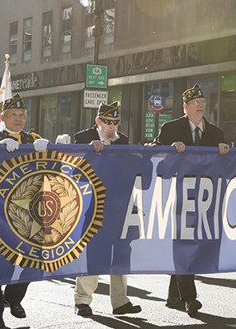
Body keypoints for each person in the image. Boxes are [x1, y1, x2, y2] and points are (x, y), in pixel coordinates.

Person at [150, 83, 230, 317]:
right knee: (184, 244)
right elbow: (155, 155)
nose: (201, 106)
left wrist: (226, 151)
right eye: (196, 103)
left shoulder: (215, 133)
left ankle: (173, 296)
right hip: (178, 197)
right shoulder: (171, 128)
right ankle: (190, 298)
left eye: (203, 103)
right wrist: (169, 147)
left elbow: (225, 166)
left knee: (195, 247)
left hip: (205, 199)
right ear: (185, 107)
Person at [0, 93, 48, 329]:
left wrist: (47, 151)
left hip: (29, 213)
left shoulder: (34, 139)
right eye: (13, 115)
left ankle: (14, 297)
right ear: (2, 117)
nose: (18, 119)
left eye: (22, 115)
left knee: (32, 258)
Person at [72, 102, 142, 317]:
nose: (112, 127)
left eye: (115, 123)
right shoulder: (83, 138)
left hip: (119, 203)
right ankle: (82, 301)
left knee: (121, 251)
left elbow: (131, 168)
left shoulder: (123, 141)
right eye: (107, 122)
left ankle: (120, 301)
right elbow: (74, 171)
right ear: (98, 121)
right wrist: (88, 152)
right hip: (93, 205)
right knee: (94, 251)